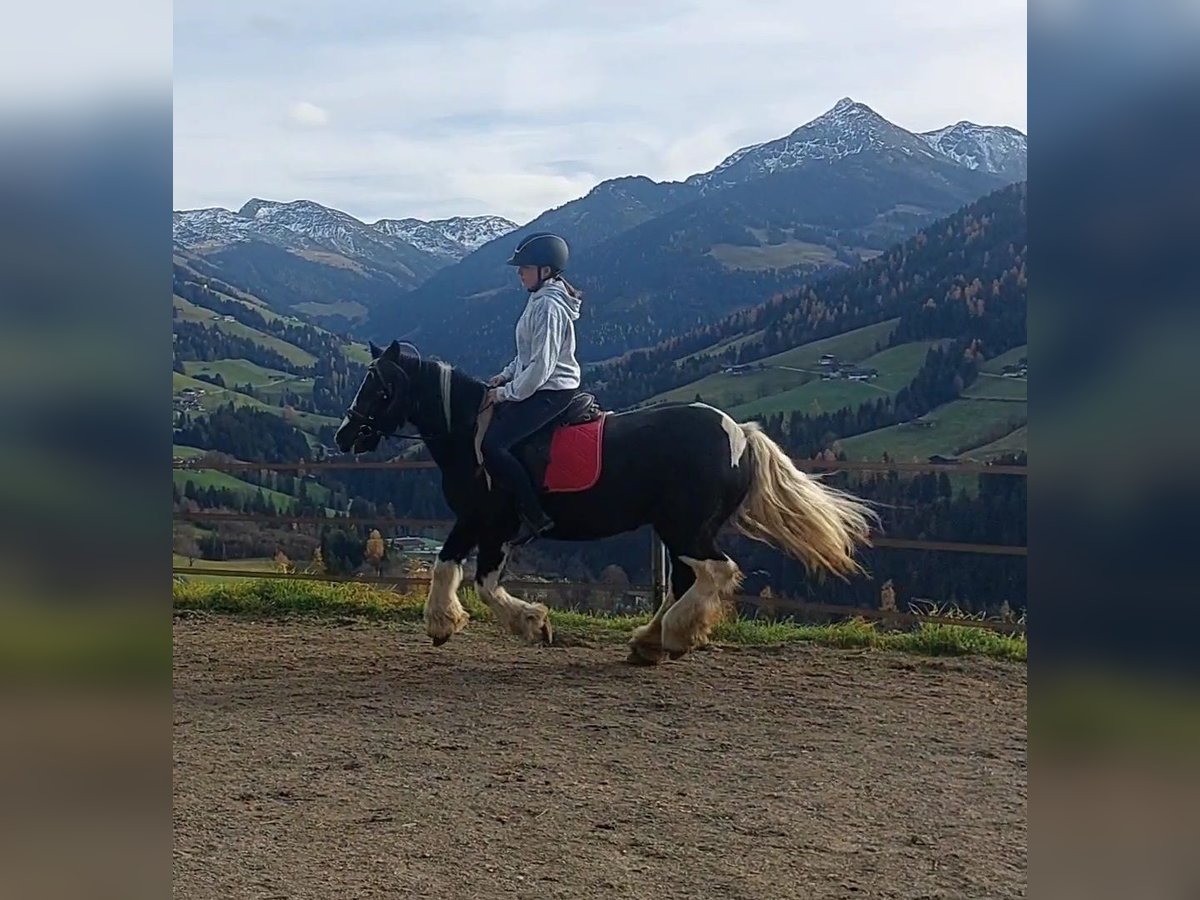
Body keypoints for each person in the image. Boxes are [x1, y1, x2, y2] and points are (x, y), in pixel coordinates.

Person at [482, 232, 583, 540]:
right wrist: (506, 375)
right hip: (540, 386)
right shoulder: (538, 299)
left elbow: (541, 366)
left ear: (546, 270)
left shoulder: (549, 307)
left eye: (525, 267)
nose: (519, 273)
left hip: (551, 391)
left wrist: (504, 393)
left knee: (493, 445)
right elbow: (526, 354)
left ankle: (534, 515)